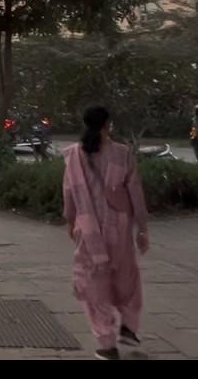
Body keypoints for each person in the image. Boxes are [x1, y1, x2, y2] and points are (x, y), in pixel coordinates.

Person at [62, 106, 150, 361]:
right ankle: (129, 326)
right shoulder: (122, 153)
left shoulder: (74, 154)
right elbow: (135, 193)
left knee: (95, 285)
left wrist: (70, 221)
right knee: (126, 278)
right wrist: (142, 228)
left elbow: (69, 192)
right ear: (107, 125)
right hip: (119, 228)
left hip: (88, 228)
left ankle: (107, 343)